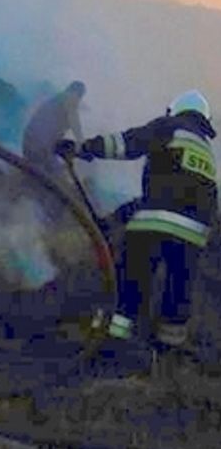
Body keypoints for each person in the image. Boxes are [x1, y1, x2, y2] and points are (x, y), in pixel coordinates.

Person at [55, 89, 218, 375]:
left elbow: (127, 143)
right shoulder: (206, 153)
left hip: (153, 226)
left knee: (131, 283)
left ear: (176, 110)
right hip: (193, 235)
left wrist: (83, 149)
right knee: (177, 293)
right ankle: (165, 356)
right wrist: (116, 217)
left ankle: (111, 345)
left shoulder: (169, 127)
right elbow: (175, 198)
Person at [24, 81, 86, 178]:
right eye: (79, 97)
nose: (78, 101)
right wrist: (82, 142)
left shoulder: (57, 100)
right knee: (59, 177)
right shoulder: (68, 99)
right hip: (39, 148)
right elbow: (74, 121)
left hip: (34, 147)